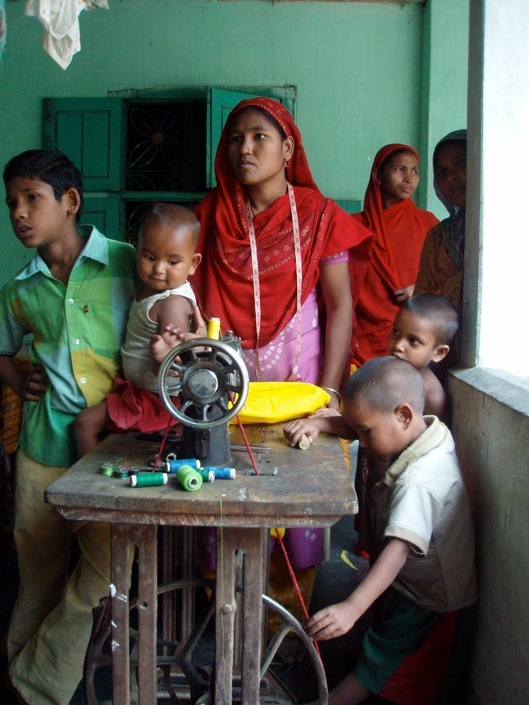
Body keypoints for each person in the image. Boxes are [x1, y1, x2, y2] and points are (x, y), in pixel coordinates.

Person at [190, 96, 373, 631]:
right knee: (221, 510)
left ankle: (283, 631)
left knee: (296, 524)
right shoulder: (210, 215)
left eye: (259, 137)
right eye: (235, 138)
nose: (244, 148)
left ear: (288, 149)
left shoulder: (320, 217)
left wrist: (329, 393)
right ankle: (223, 627)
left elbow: (339, 306)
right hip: (228, 394)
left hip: (301, 392)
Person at [0, 149, 137, 705]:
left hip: (113, 452)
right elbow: (3, 351)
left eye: (33, 198)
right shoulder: (20, 287)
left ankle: (32, 680)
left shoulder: (130, 263)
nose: (19, 213)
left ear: (71, 202)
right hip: (41, 448)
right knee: (38, 572)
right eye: (12, 202)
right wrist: (17, 382)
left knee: (102, 574)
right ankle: (21, 667)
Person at [304, 357, 478, 705]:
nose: (362, 443)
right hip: (406, 585)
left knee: (380, 669)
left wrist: (352, 607)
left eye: (366, 433)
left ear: (403, 415)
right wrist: (322, 425)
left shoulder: (421, 481)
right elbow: (360, 423)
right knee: (380, 648)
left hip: (431, 603)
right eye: (359, 432)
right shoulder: (425, 431)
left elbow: (398, 550)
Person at [74, 203, 202, 457]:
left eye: (173, 261)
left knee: (84, 425)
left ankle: (91, 487)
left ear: (193, 263)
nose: (159, 269)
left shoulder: (172, 304)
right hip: (140, 391)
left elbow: (173, 367)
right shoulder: (151, 289)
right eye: (150, 257)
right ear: (136, 251)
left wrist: (160, 358)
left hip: (159, 398)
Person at [284, 293, 459, 448]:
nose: (398, 345)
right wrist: (322, 423)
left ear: (439, 352)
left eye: (413, 341)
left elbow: (426, 450)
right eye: (396, 332)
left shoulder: (433, 397)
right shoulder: (384, 373)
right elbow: (364, 428)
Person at [352, 144, 439, 366]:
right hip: (363, 339)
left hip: (414, 338)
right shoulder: (352, 226)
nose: (409, 178)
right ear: (378, 176)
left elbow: (447, 278)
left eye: (415, 171)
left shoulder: (430, 224)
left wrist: (421, 289)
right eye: (400, 169)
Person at [415, 130, 467, 312]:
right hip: (445, 339)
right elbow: (421, 306)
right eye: (442, 172)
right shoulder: (438, 236)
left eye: (462, 162)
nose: (451, 177)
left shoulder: (511, 225)